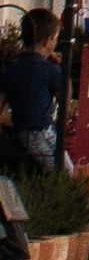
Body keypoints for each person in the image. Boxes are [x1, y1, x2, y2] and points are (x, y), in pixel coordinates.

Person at [0, 12, 62, 172]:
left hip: (18, 134)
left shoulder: (12, 70)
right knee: (65, 174)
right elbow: (65, 95)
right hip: (41, 131)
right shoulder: (50, 70)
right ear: (49, 41)